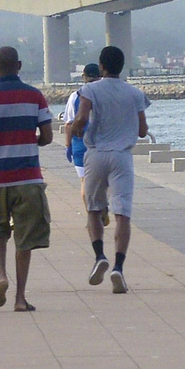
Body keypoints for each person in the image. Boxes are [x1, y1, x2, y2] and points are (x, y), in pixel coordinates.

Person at [0, 46, 54, 312]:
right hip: (28, 176)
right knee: (25, 237)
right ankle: (20, 298)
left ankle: (0, 275)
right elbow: (48, 136)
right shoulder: (35, 96)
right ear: (18, 65)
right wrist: (31, 140)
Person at [68, 45, 150, 293]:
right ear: (121, 66)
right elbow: (143, 130)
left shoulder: (89, 89)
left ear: (101, 66)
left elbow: (81, 118)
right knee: (122, 213)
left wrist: (76, 131)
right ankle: (119, 267)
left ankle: (99, 256)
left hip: (96, 154)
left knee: (94, 208)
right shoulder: (135, 94)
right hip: (122, 157)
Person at [63, 63, 101, 217]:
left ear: (84, 77)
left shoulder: (75, 95)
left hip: (79, 145)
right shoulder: (104, 94)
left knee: (85, 182)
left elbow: (68, 124)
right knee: (101, 181)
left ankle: (91, 216)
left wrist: (68, 145)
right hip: (101, 145)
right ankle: (101, 208)